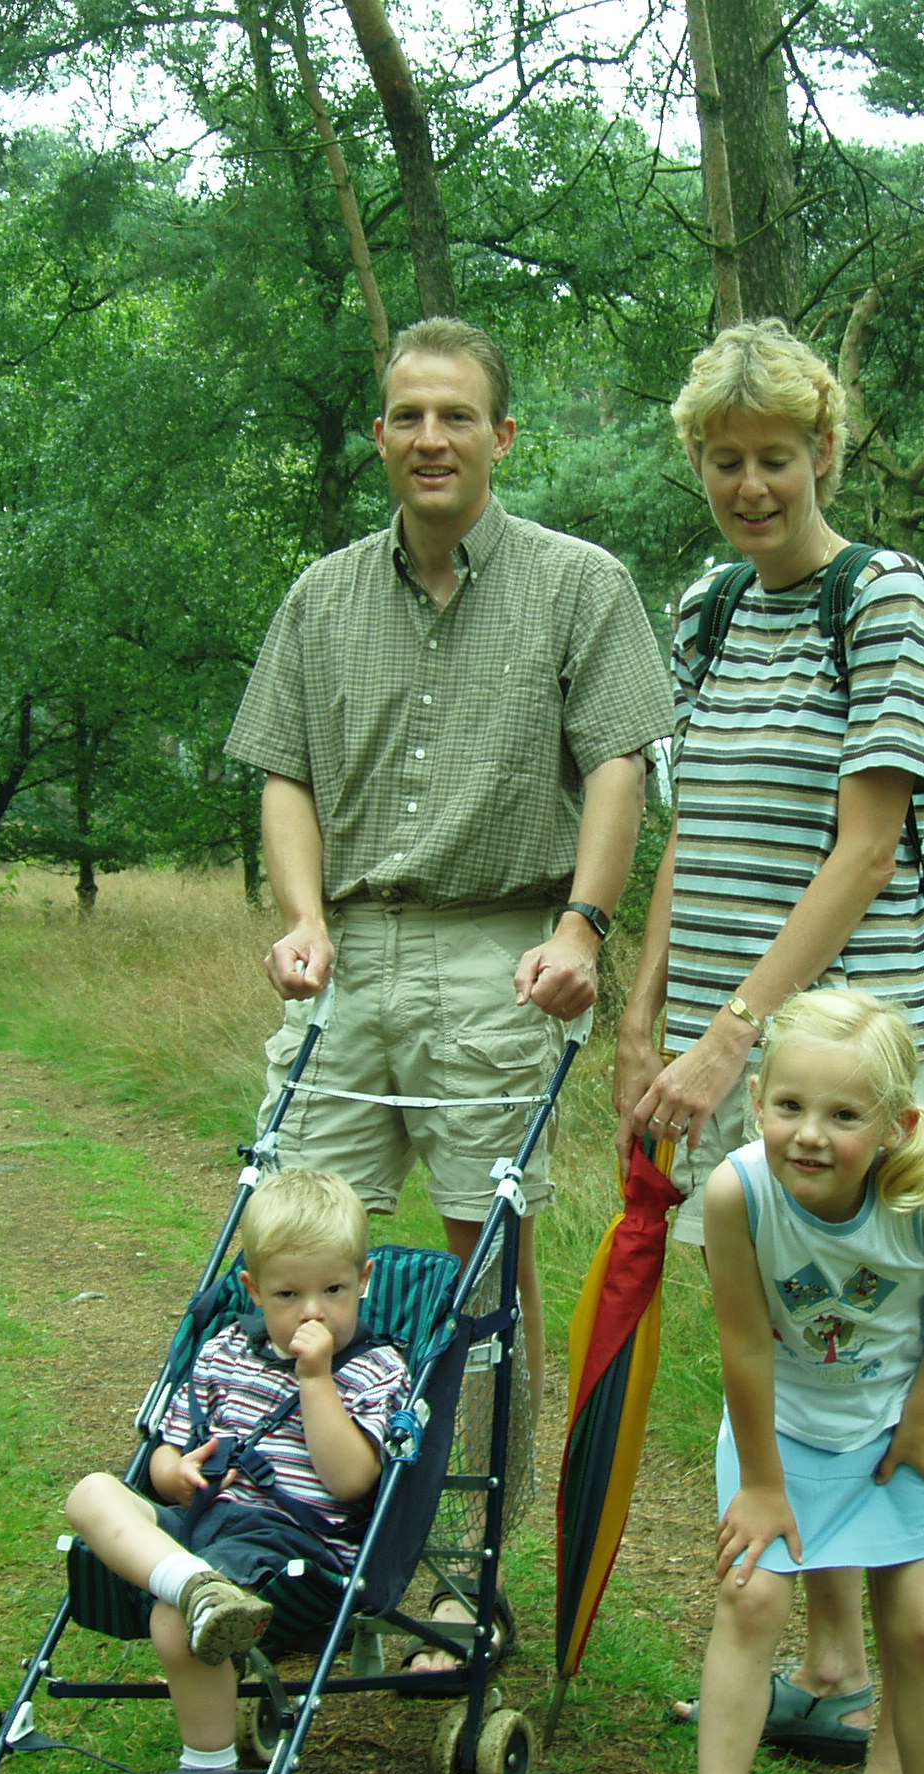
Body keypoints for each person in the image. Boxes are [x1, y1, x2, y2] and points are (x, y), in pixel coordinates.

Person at [225, 315, 671, 1635]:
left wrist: (583, 929)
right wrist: (302, 920)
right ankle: (290, 1551)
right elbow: (284, 774)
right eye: (409, 416)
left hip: (501, 954)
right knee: (293, 1263)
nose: (432, 439)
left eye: (457, 416)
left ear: (501, 436)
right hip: (347, 960)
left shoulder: (579, 585)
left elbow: (619, 765)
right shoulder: (321, 598)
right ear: (381, 435)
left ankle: (470, 1578)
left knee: (482, 1291)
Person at [616, 317, 924, 1774]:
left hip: (834, 1050)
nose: (752, 486)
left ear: (826, 449)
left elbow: (869, 844)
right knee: (767, 1324)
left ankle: (894, 1757)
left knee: (867, 1339)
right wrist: (647, 1019)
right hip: (717, 1046)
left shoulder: (885, 598)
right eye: (725, 459)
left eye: (776, 456)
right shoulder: (704, 608)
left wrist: (734, 1037)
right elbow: (691, 830)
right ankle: (822, 1668)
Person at [642, 990, 924, 1774]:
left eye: (845, 1116)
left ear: (896, 1126)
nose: (809, 1135)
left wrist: (920, 1415)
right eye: (790, 1106)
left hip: (891, 1428)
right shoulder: (738, 1193)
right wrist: (763, 1484)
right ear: (756, 1099)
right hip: (782, 1429)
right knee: (751, 1598)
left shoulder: (921, 1202)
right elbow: (745, 1344)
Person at [62, 1170, 408, 1774]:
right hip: (206, 1529)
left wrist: (316, 1379)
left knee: (174, 1621)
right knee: (91, 1492)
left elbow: (351, 1479)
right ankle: (192, 1587)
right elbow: (167, 1453)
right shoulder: (223, 1351)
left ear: (364, 1282)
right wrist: (174, 1471)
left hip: (297, 1551)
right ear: (252, 1291)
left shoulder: (376, 1369)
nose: (312, 1312)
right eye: (288, 1295)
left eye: (333, 1291)